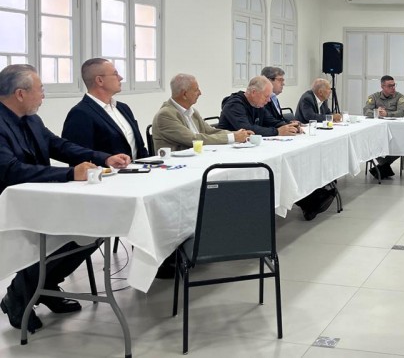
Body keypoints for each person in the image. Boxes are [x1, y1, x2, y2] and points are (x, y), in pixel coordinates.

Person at [0, 64, 129, 333]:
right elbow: (10, 170)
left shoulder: (31, 119)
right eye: (41, 90)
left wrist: (102, 157)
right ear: (20, 93)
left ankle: (45, 287)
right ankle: (19, 296)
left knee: (96, 226)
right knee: (71, 230)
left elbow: (59, 145)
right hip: (9, 202)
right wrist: (71, 173)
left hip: (40, 195)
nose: (44, 96)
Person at [62, 58, 149, 159]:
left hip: (138, 171)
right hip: (107, 173)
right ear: (100, 80)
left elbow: (140, 147)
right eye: (115, 74)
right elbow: (78, 157)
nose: (120, 78)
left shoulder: (123, 108)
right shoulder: (80, 114)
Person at [152, 73, 251, 151]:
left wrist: (240, 134)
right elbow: (194, 139)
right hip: (176, 166)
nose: (200, 93)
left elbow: (210, 131)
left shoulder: (193, 112)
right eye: (196, 90)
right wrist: (233, 137)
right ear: (184, 94)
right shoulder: (165, 115)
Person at [218, 75, 301, 136]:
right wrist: (277, 132)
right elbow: (247, 129)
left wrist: (289, 126)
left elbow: (272, 121)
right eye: (266, 96)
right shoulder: (234, 104)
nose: (269, 100)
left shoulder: (257, 104)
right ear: (254, 92)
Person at [363, 75, 404, 179]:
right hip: (377, 132)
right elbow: (365, 110)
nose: (393, 88)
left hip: (396, 132)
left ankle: (381, 166)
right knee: (372, 145)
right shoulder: (374, 97)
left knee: (403, 147)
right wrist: (376, 112)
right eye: (390, 86)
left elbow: (401, 112)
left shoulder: (400, 97)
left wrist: (387, 114)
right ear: (382, 86)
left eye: (394, 85)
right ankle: (383, 167)